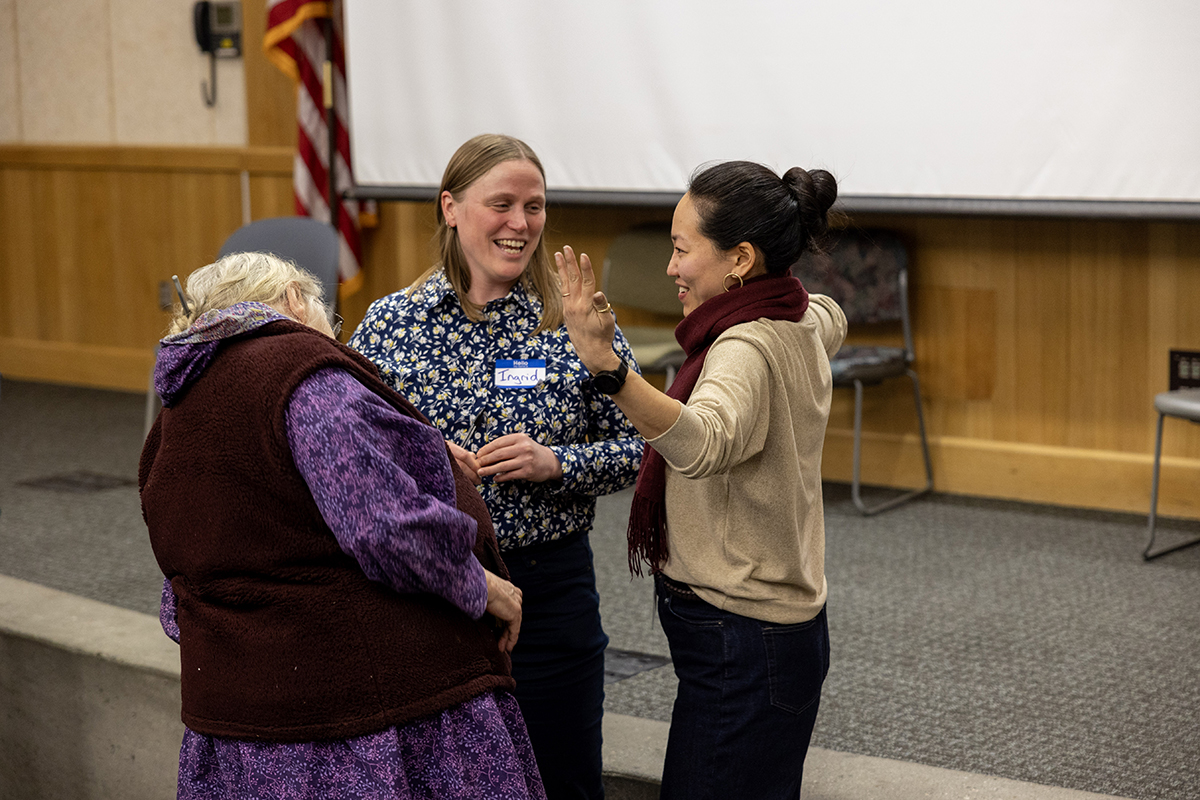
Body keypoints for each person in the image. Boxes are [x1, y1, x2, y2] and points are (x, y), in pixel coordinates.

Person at [140, 251, 545, 800]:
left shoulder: (178, 411)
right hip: (360, 721)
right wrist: (481, 585)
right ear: (291, 301)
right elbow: (385, 527)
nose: (334, 335)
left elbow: (185, 585)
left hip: (241, 727)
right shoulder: (300, 374)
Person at [349, 134, 642, 800]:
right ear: (451, 208)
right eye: (501, 203)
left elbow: (643, 449)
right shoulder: (392, 324)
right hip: (430, 592)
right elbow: (345, 459)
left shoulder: (573, 323)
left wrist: (556, 463)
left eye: (534, 206)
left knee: (564, 780)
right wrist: (425, 459)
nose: (520, 223)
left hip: (549, 591)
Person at [554, 161, 848, 800]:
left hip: (742, 640)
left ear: (741, 258)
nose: (670, 267)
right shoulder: (798, 317)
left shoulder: (744, 345)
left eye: (682, 249)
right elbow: (830, 314)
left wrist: (609, 368)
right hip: (777, 634)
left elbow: (705, 441)